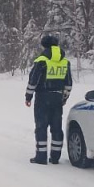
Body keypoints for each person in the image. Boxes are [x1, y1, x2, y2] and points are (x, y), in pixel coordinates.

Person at [25, 35, 73, 165]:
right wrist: (64, 98)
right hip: (57, 98)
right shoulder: (65, 62)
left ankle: (41, 157)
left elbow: (33, 81)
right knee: (56, 127)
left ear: (44, 46)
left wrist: (28, 96)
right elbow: (68, 83)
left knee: (41, 127)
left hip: (42, 97)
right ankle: (55, 157)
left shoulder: (41, 61)